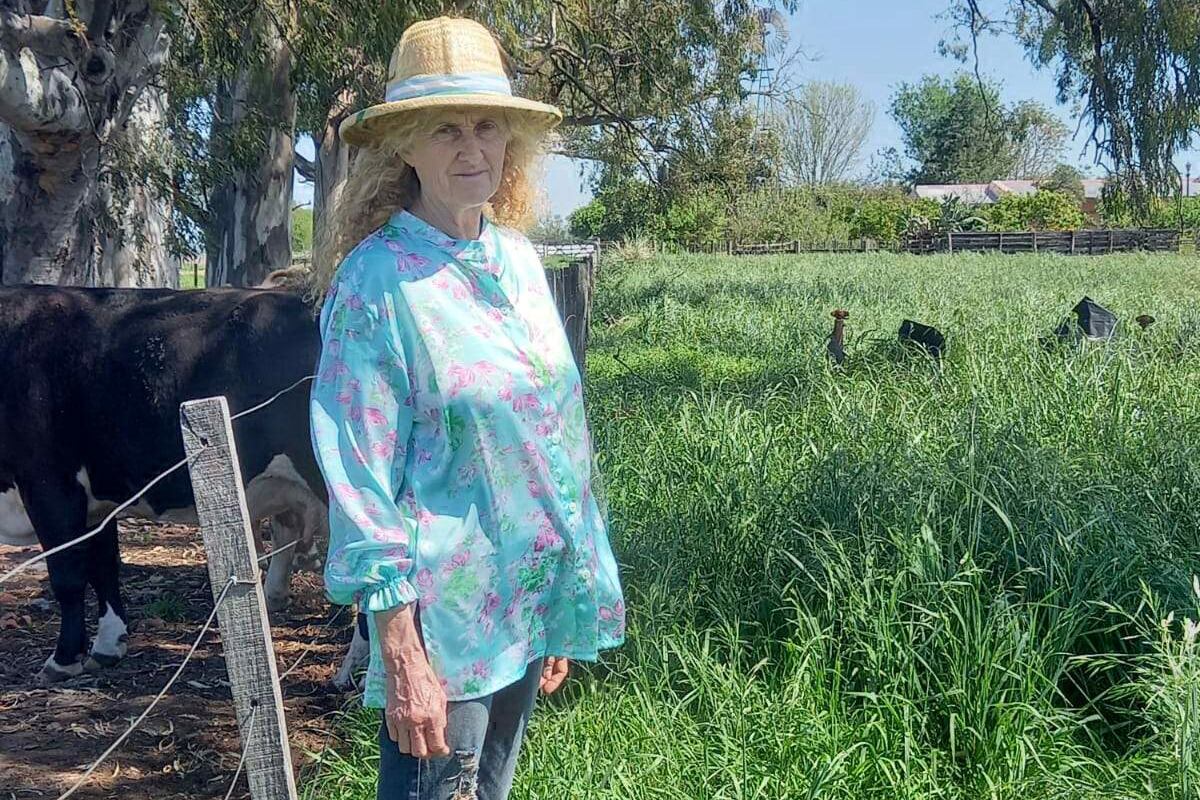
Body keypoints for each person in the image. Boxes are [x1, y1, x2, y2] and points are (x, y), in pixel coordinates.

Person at [308, 15, 626, 800]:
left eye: (486, 126)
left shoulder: (517, 260)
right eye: (444, 128)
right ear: (404, 146)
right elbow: (358, 477)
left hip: (524, 604)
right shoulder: (376, 283)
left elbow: (554, 434)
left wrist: (561, 596)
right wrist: (400, 649)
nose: (471, 148)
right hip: (443, 629)